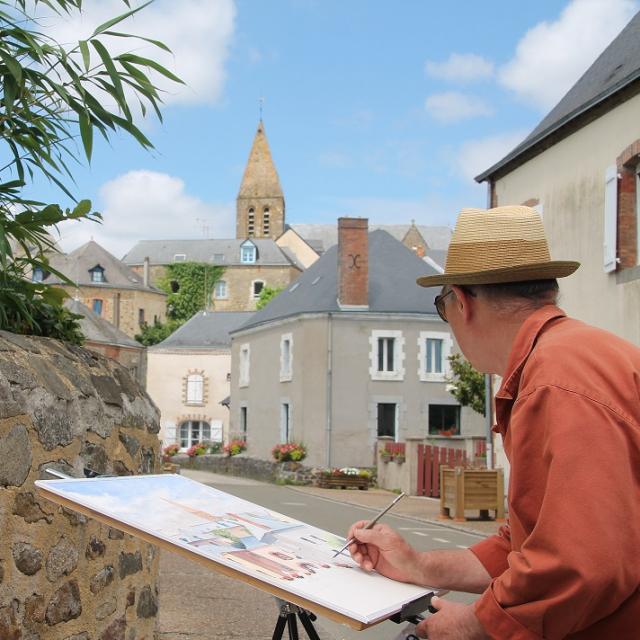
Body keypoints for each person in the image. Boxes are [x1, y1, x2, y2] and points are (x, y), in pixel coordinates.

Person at [347, 206, 640, 639]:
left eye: (441, 308)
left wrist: (474, 624)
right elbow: (526, 545)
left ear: (461, 302)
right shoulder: (573, 355)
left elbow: (581, 564)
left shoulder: (555, 381)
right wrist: (417, 565)